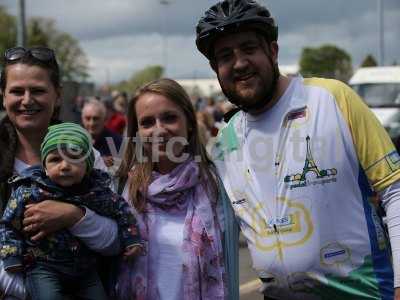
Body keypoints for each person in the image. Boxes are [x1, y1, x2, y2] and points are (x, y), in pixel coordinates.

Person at [196, 1, 400, 299]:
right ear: (216, 69)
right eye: (225, 56)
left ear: (273, 51)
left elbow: (394, 191)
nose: (239, 63)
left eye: (249, 48)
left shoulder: (333, 99)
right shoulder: (225, 140)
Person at [0, 46, 119, 299]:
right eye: (17, 91)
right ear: (3, 96)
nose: (27, 100)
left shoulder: (86, 154)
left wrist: (74, 215)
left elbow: (114, 241)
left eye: (39, 90)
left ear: (58, 96)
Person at [114, 78, 239, 300]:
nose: (159, 130)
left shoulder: (220, 185)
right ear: (137, 132)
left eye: (169, 118)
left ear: (189, 122)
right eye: (147, 122)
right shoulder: (121, 188)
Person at [0, 122, 143, 300]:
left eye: (74, 158)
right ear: (44, 166)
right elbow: (7, 224)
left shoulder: (97, 192)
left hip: (85, 269)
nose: (65, 166)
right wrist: (11, 256)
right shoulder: (29, 190)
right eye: (55, 159)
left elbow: (122, 211)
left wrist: (132, 239)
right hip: (43, 267)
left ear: (88, 165)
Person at [81, 99, 123, 168]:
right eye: (88, 118)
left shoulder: (117, 141)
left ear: (105, 119)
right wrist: (98, 161)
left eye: (96, 118)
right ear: (82, 119)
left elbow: (121, 168)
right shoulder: (74, 139)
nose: (92, 123)